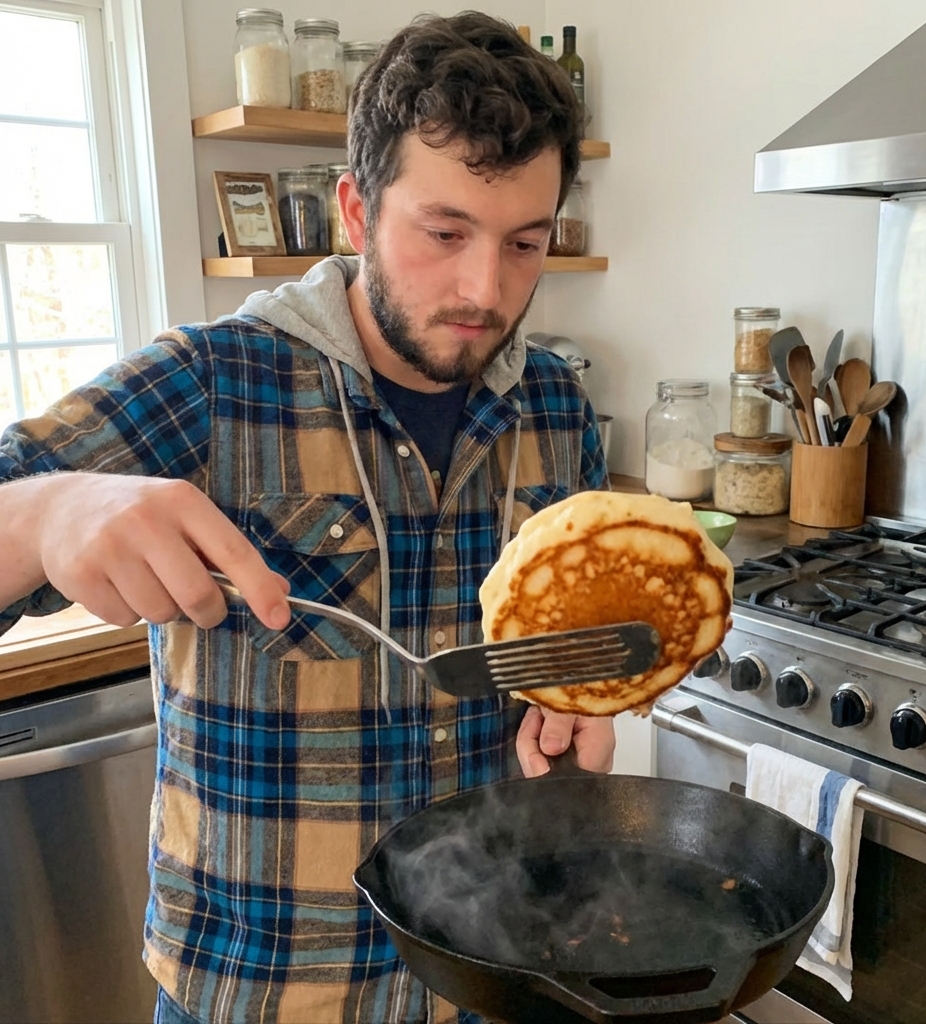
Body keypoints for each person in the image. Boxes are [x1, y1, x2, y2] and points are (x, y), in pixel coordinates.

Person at [0, 11, 612, 1024]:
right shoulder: (211, 385)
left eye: (524, 243)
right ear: (356, 213)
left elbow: (563, 639)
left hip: (491, 975)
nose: (483, 288)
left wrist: (578, 690)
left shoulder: (556, 406)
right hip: (259, 990)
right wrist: (42, 513)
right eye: (444, 233)